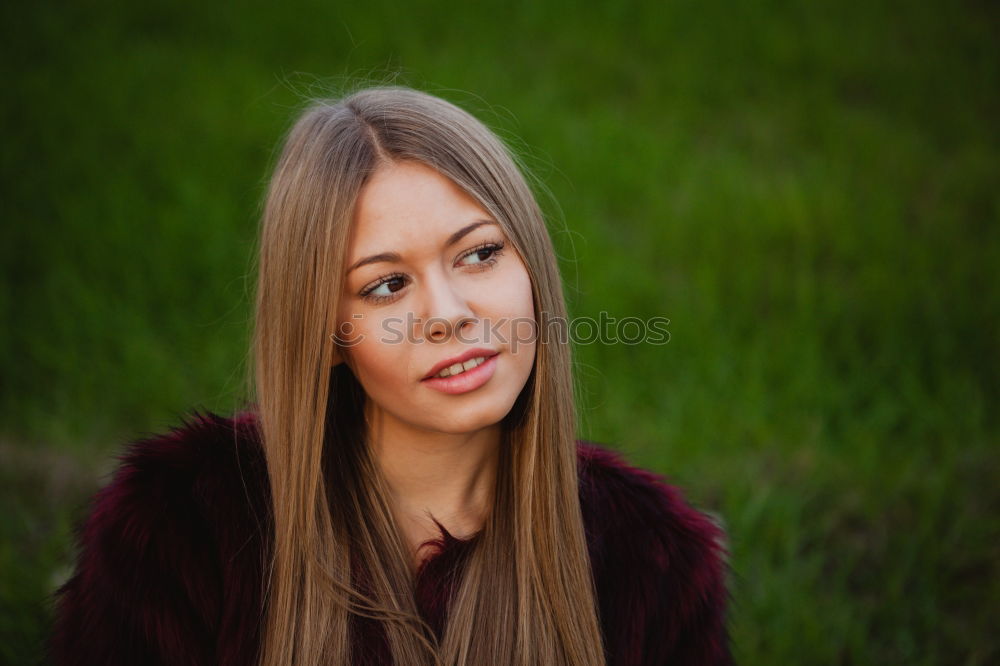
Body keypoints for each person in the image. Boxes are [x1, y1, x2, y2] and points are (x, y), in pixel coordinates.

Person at [49, 85, 732, 665]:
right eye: (385, 286)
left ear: (534, 267)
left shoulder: (653, 561)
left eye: (481, 253)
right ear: (325, 333)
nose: (449, 315)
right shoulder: (179, 530)